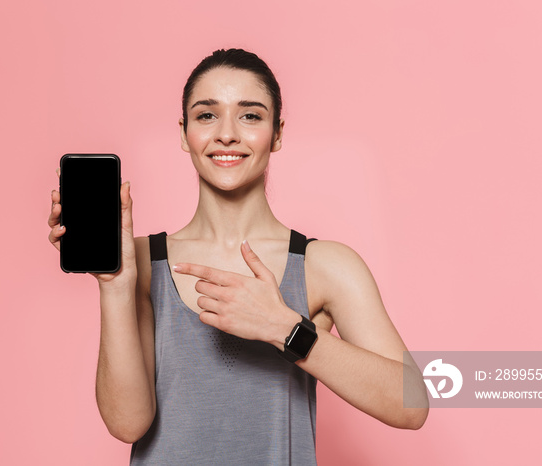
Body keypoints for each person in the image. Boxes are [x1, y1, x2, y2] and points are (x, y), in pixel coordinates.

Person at [48, 48, 428, 464]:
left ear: (277, 133)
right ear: (184, 132)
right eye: (206, 115)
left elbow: (412, 405)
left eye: (250, 115)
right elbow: (128, 424)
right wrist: (116, 286)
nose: (226, 134)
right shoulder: (140, 263)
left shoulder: (326, 266)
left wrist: (285, 328)